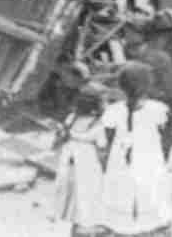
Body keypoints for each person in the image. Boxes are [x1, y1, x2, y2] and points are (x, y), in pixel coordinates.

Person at [99, 62, 172, 237]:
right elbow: (166, 140)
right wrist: (162, 160)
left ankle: (123, 227)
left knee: (121, 189)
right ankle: (151, 226)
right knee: (151, 187)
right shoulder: (159, 110)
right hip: (149, 157)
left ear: (120, 86)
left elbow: (108, 140)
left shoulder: (112, 111)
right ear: (149, 85)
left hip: (120, 158)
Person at [53, 83, 107, 237]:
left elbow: (62, 136)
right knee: (89, 192)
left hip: (68, 158)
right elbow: (102, 143)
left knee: (72, 192)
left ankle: (74, 222)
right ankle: (87, 227)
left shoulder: (71, 118)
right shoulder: (98, 124)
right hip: (87, 160)